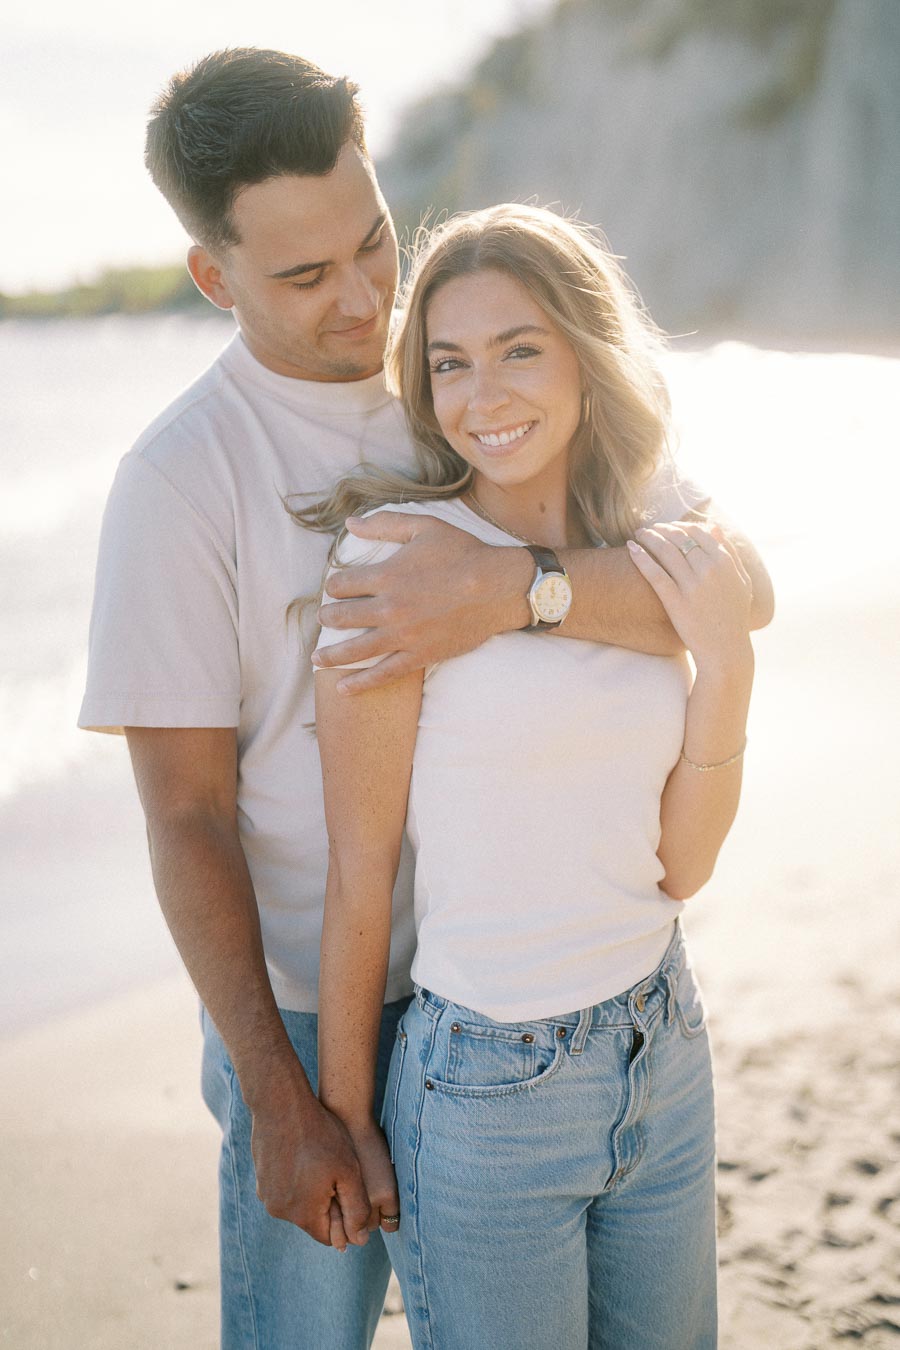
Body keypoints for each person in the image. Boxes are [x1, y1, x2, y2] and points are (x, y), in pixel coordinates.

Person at [77, 47, 772, 1350]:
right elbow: (186, 816)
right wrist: (282, 1096)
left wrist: (516, 590)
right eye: (305, 276)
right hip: (305, 1003)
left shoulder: (464, 378)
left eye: (373, 242)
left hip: (508, 980)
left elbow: (739, 585)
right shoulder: (180, 479)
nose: (363, 298)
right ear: (215, 278)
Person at [310, 203, 759, 1349]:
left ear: (584, 351)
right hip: (484, 1093)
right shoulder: (395, 557)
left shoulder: (647, 524)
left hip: (661, 1037)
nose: (483, 395)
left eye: (519, 349)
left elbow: (682, 869)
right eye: (450, 362)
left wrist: (727, 671)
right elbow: (361, 868)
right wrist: (346, 1112)